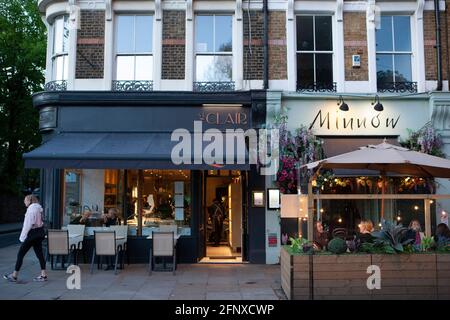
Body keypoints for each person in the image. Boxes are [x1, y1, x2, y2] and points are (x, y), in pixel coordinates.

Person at [3, 195, 47, 282]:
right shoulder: (39, 209)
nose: (24, 202)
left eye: (25, 201)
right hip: (39, 233)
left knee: (20, 254)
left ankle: (14, 276)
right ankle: (43, 274)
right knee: (40, 254)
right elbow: (41, 222)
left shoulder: (31, 210)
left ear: (30, 201)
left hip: (32, 234)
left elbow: (27, 225)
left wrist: (22, 237)